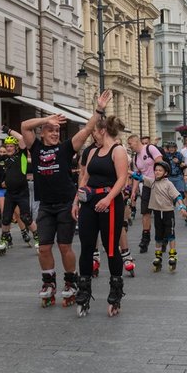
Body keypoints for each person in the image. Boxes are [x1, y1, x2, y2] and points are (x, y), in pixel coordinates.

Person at [19, 90, 112, 312]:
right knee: (43, 247)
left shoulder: (65, 148)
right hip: (45, 205)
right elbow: (24, 126)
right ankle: (49, 281)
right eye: (50, 130)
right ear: (43, 133)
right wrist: (47, 118)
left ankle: (70, 281)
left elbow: (87, 129)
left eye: (57, 130)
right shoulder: (36, 147)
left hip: (65, 204)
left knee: (64, 246)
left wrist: (99, 109)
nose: (54, 133)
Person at [74, 114, 129, 316]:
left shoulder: (118, 150)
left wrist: (108, 198)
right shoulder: (92, 152)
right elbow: (85, 178)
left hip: (110, 203)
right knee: (87, 247)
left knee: (110, 247)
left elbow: (122, 178)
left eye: (94, 132)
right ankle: (83, 293)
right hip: (89, 201)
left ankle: (115, 294)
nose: (93, 135)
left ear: (103, 131)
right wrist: (76, 200)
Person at [131, 161, 186, 273]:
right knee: (158, 236)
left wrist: (182, 207)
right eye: (156, 170)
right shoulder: (152, 182)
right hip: (157, 213)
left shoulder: (168, 184)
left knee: (170, 235)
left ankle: (172, 255)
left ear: (165, 173)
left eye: (160, 170)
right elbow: (138, 176)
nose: (157, 172)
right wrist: (126, 171)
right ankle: (158, 256)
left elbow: (177, 196)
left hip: (168, 213)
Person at [0, 132, 37, 254]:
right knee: (6, 218)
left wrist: (9, 130)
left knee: (25, 217)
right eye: (7, 146)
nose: (9, 148)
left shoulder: (21, 155)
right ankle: (4, 239)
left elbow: (21, 138)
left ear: (16, 147)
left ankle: (37, 237)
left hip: (22, 192)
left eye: (11, 146)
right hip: (10, 193)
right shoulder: (5, 158)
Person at [127, 133, 163, 253]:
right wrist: (133, 191)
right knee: (145, 213)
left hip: (158, 185)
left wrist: (159, 180)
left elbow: (161, 164)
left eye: (130, 143)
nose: (129, 146)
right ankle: (145, 238)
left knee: (159, 213)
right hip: (146, 186)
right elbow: (137, 175)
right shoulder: (135, 158)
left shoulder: (150, 148)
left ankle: (161, 238)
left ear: (136, 141)